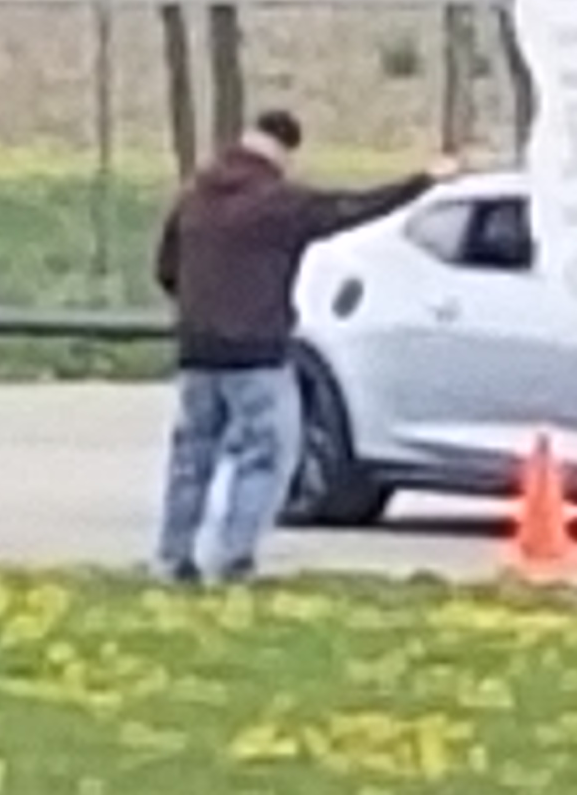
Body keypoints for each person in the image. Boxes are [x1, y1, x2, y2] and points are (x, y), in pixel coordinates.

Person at [149, 110, 453, 584]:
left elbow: (166, 270)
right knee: (266, 455)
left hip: (196, 350)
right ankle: (232, 559)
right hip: (257, 350)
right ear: (284, 151)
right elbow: (352, 209)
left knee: (191, 459)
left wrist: (198, 309)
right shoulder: (279, 203)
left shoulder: (193, 197)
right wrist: (423, 181)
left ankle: (172, 558)